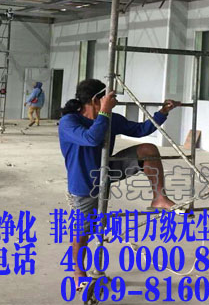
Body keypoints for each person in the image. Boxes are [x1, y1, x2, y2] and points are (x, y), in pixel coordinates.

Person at [58, 78, 181, 290]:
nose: (114, 100)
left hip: (107, 170)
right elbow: (91, 138)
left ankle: (159, 197)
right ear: (96, 100)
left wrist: (163, 112)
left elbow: (142, 130)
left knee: (148, 150)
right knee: (83, 231)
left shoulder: (110, 118)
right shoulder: (69, 122)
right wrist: (105, 112)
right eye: (110, 97)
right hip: (84, 183)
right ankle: (78, 273)